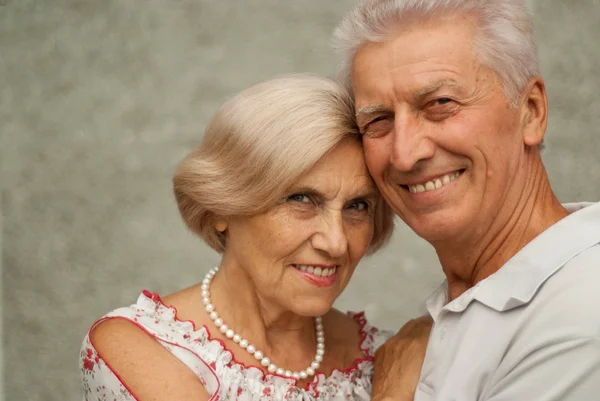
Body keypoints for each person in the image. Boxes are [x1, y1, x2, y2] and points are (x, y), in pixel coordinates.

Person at [79, 74, 427, 400]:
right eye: (301, 199)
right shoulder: (140, 345)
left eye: (357, 206)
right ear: (221, 208)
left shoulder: (391, 354)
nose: (336, 243)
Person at [333, 0, 600, 400]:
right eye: (378, 121)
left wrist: (388, 393)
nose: (405, 154)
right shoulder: (466, 305)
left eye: (440, 104)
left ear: (531, 112)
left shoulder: (582, 312)